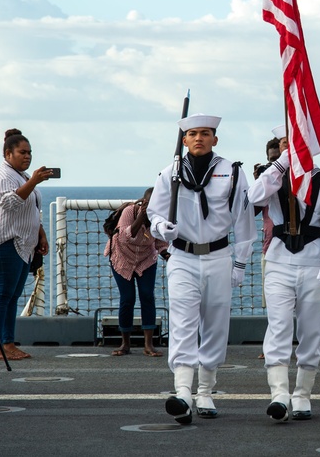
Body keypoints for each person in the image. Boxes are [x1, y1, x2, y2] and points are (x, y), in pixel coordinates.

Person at [147, 113, 257, 424]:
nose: (199, 138)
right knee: (183, 320)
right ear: (184, 140)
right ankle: (182, 390)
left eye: (205, 133)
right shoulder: (170, 173)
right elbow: (155, 212)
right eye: (193, 133)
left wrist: (240, 263)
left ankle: (206, 389)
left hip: (218, 256)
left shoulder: (232, 173)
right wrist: (161, 228)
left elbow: (244, 222)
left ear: (215, 139)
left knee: (215, 322)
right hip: (182, 256)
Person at [248, 125, 320, 421]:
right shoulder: (274, 178)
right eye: (284, 142)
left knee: (310, 331)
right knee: (278, 327)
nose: (290, 146)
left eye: (295, 142)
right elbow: (253, 197)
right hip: (279, 262)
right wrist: (280, 164)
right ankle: (279, 394)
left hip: (313, 263)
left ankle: (302, 394)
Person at [0, 129, 51, 361]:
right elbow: (10, 203)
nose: (27, 156)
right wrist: (35, 181)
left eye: (29, 152)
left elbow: (30, 209)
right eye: (22, 152)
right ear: (8, 153)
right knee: (3, 294)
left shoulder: (21, 175)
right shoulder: (3, 176)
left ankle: (6, 343)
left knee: (11, 295)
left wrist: (41, 234)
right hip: (3, 242)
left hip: (20, 243)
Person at [105, 187, 169, 357]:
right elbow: (126, 236)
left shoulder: (161, 217)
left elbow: (161, 243)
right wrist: (142, 215)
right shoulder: (129, 211)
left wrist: (168, 255)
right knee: (127, 299)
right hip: (122, 257)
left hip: (145, 259)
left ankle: (148, 345)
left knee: (147, 296)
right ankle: (125, 344)